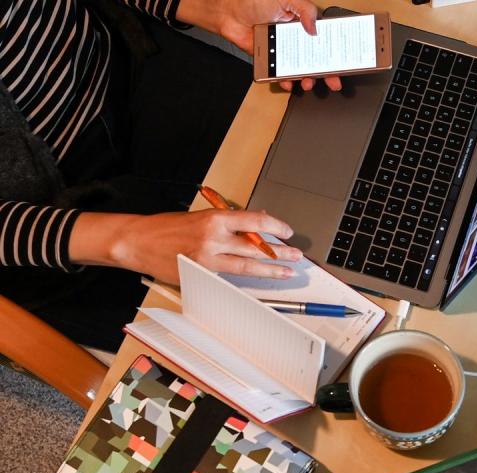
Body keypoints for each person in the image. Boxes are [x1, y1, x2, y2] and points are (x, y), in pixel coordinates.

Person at [0, 0, 340, 351]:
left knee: (336, 157)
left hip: (121, 62)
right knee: (276, 346)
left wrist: (217, 9)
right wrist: (127, 242)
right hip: (46, 234)